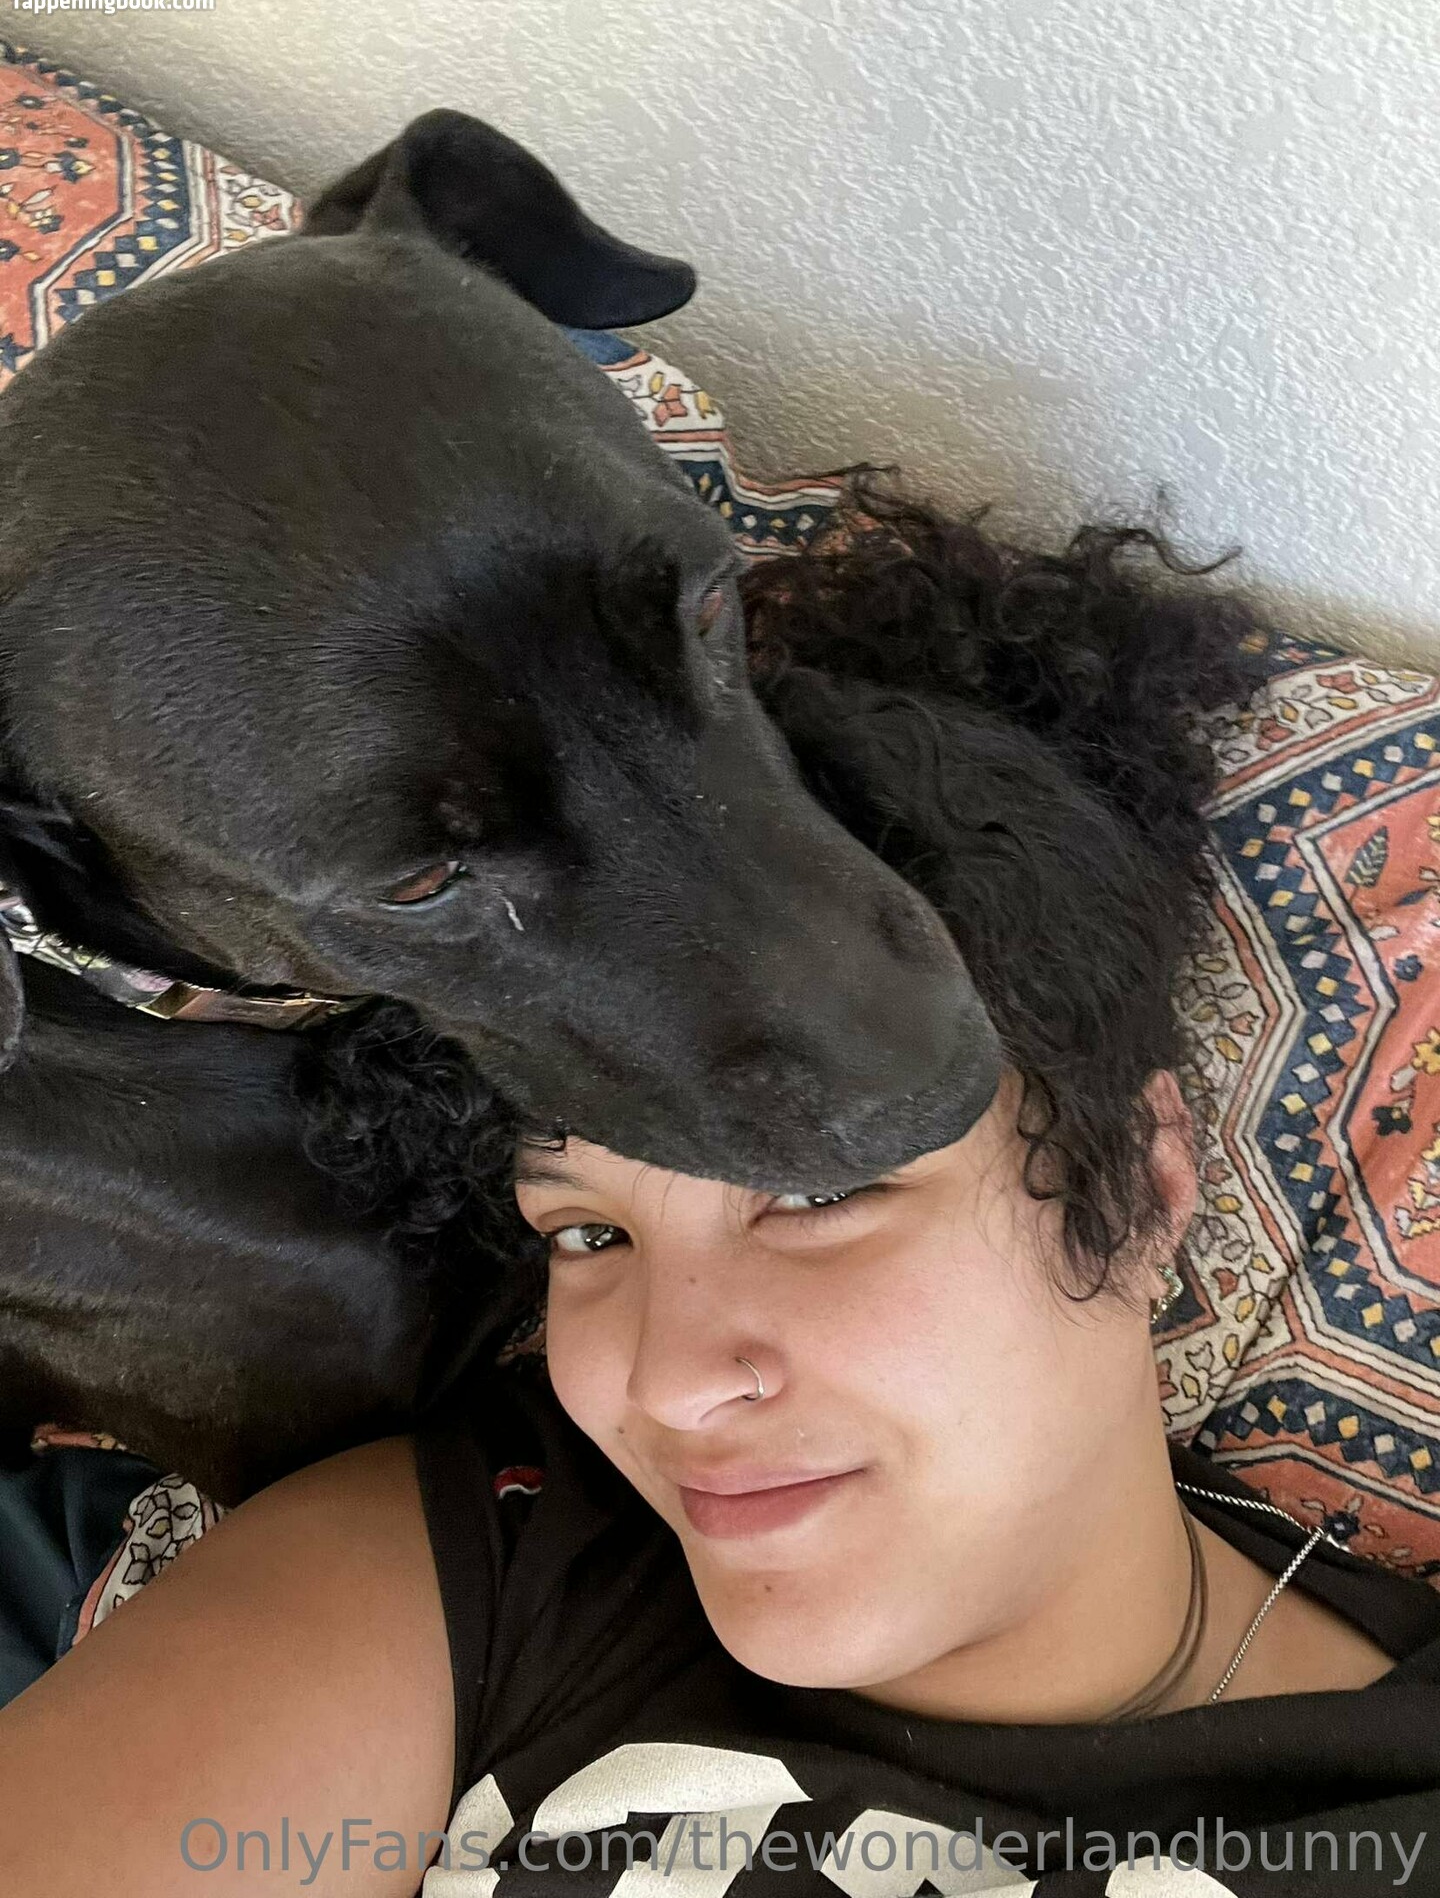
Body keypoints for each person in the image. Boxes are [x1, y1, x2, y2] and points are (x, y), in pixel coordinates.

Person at [1, 491, 1437, 1895]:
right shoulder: (487, 1565)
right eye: (589, 1231)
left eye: (815, 1192)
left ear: (1146, 1183)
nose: (671, 1383)